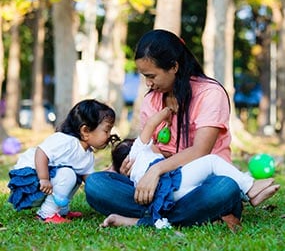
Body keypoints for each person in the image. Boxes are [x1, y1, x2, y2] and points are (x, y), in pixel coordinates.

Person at [85, 29, 278, 230]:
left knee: (224, 188)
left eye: (152, 76)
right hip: (161, 187)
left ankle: (150, 218)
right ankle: (188, 216)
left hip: (201, 185)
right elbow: (148, 148)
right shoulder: (151, 100)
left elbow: (200, 151)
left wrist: (156, 170)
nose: (148, 83)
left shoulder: (209, 94)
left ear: (174, 66)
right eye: (144, 76)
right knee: (97, 184)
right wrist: (123, 169)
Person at [109, 107, 279, 227]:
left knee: (204, 187)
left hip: (167, 199)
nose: (156, 144)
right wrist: (166, 112)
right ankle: (250, 188)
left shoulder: (132, 176)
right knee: (212, 161)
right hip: (171, 182)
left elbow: (111, 174)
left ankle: (235, 198)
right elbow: (151, 124)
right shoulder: (138, 150)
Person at [8, 99, 116, 224]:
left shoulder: (87, 155)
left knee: (75, 176)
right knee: (68, 174)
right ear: (85, 131)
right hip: (29, 181)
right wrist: (44, 178)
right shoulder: (65, 141)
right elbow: (41, 152)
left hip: (47, 182)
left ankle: (61, 211)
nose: (109, 136)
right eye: (106, 130)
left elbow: (90, 181)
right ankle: (46, 214)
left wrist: (106, 179)